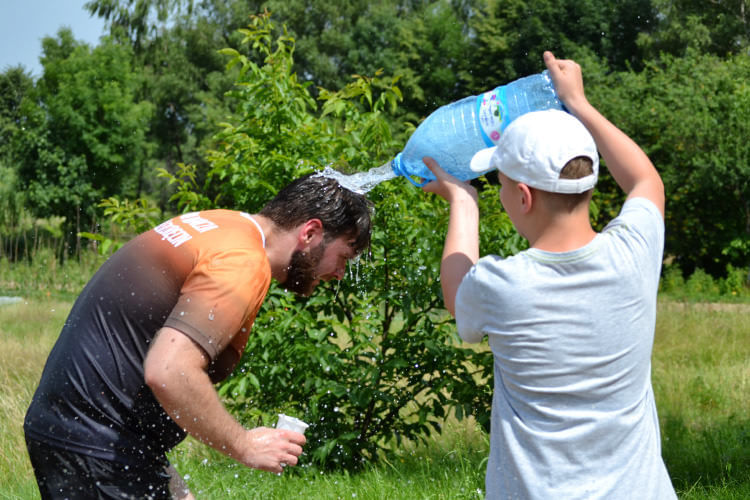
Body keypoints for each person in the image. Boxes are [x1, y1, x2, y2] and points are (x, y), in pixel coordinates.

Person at [421, 51, 677, 499]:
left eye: (498, 185)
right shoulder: (634, 253)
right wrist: (578, 102)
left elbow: (454, 293)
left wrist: (463, 202)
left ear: (523, 196)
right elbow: (645, 181)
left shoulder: (502, 286)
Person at [24, 173, 372, 499]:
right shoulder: (243, 261)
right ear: (310, 233)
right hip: (96, 446)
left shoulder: (225, 224)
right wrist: (244, 445)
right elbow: (169, 370)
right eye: (342, 257)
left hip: (93, 434)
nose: (339, 274)